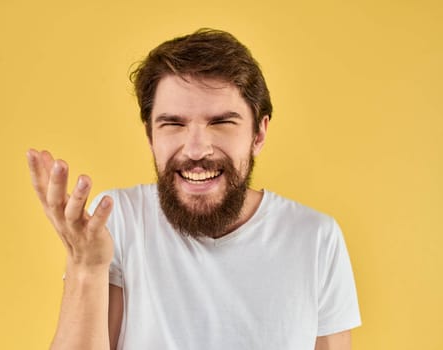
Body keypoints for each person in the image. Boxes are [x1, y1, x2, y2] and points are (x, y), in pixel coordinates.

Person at [26, 28, 361, 350]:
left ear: (258, 134)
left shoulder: (316, 238)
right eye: (173, 124)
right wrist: (86, 267)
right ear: (150, 136)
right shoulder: (120, 222)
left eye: (221, 122)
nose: (196, 149)